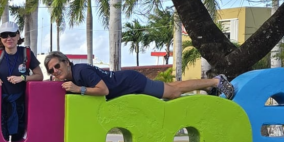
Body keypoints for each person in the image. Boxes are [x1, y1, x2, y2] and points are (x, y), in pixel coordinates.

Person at [43, 51, 235, 101]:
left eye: (57, 66)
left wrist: (79, 89)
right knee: (172, 88)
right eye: (51, 70)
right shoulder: (71, 77)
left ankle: (216, 81)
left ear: (67, 62)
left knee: (174, 92)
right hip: (127, 85)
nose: (55, 71)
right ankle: (207, 86)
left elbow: (104, 90)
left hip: (131, 83)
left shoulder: (80, 72)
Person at [0, 23, 44, 141]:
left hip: (20, 104)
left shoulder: (26, 53)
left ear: (18, 36)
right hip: (0, 103)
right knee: (1, 137)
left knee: (18, 138)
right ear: (0, 39)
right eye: (4, 35)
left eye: (12, 34)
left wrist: (22, 78)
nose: (8, 38)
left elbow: (39, 76)